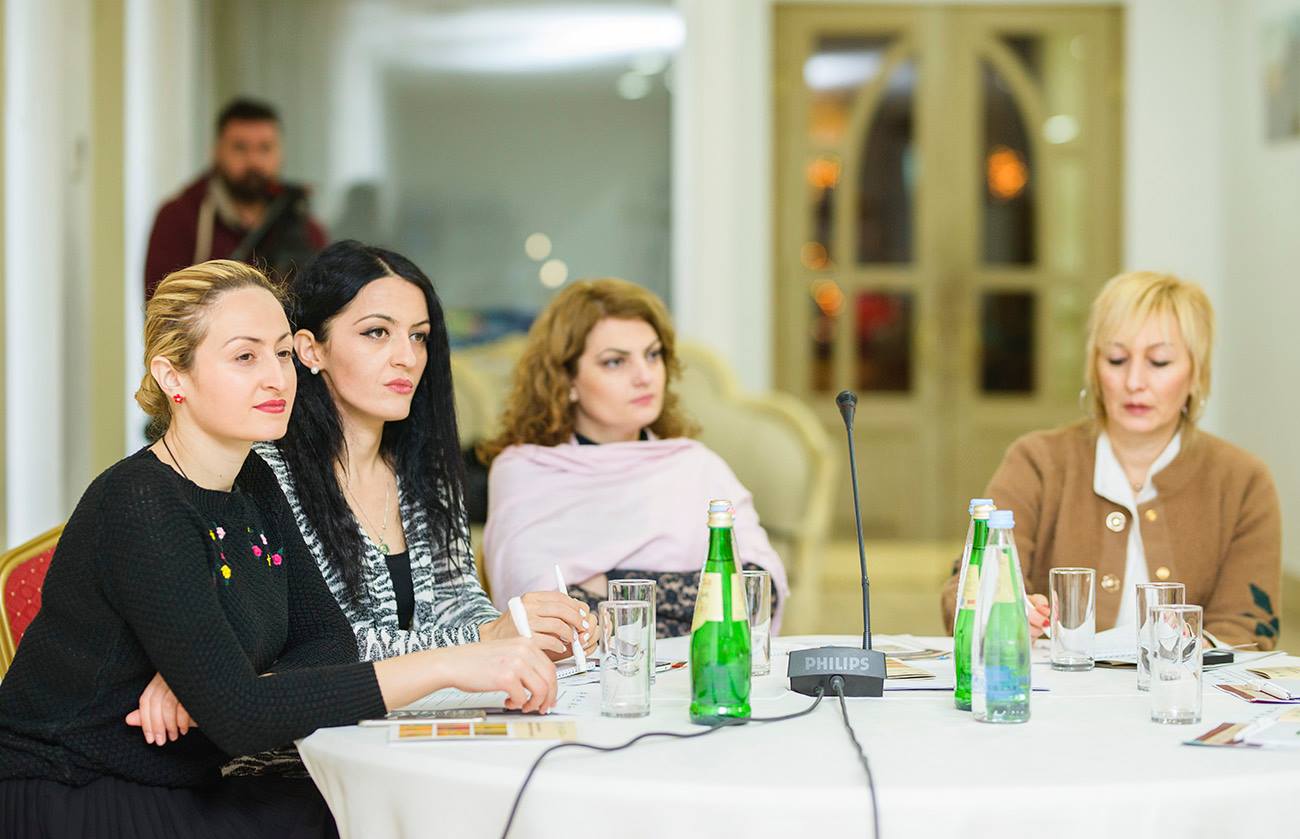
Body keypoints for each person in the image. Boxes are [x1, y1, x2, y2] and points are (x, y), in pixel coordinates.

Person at [0, 261, 558, 838]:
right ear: (173, 377)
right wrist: (449, 663)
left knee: (405, 811)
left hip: (183, 777)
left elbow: (328, 641)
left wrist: (225, 683)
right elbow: (243, 718)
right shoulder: (141, 501)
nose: (277, 378)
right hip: (75, 789)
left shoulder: (253, 481)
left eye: (283, 354)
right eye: (245, 357)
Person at [941, 271, 1281, 649]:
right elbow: (963, 593)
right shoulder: (1037, 461)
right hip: (1059, 683)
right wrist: (1005, 613)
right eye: (1117, 359)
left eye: (1159, 362)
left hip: (1181, 685)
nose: (1134, 382)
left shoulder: (1243, 481)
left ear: (1195, 374)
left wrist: (1191, 651)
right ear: (1094, 368)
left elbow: (1250, 627)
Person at [479, 278, 789, 637]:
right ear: (567, 380)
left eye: (653, 355)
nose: (644, 376)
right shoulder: (524, 472)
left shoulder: (696, 465)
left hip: (700, 667)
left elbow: (757, 593)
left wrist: (609, 582)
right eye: (615, 362)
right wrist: (689, 602)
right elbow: (548, 617)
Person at [143, 98, 327, 300]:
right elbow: (160, 306)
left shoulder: (303, 228)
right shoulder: (178, 218)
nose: (253, 160)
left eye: (265, 148)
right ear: (216, 152)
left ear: (280, 154)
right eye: (240, 147)